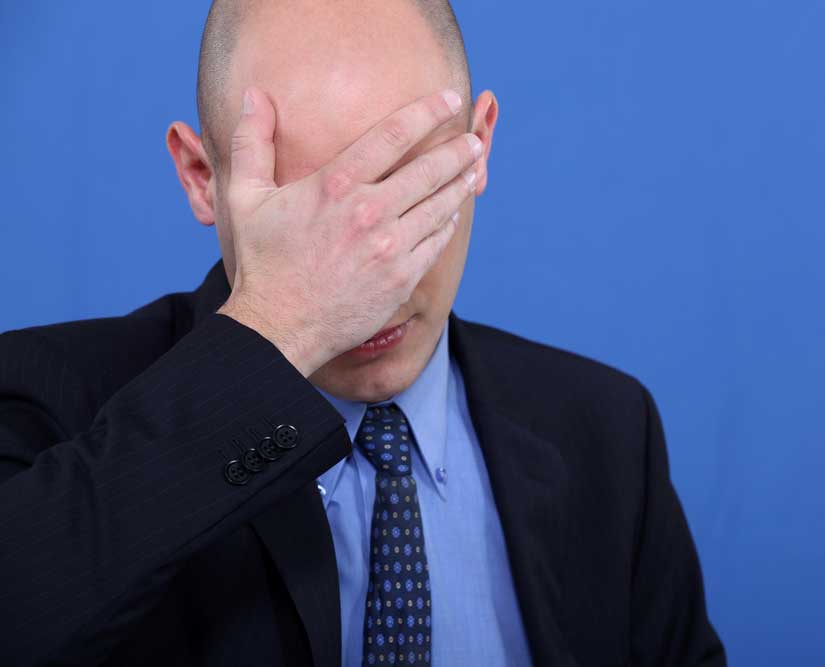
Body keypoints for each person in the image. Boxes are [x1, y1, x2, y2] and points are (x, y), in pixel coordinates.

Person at [0, 1, 725, 665]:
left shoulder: (607, 431)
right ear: (200, 177)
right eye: (310, 209)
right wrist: (279, 325)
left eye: (415, 189)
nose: (375, 274)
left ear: (481, 145)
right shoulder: (48, 403)